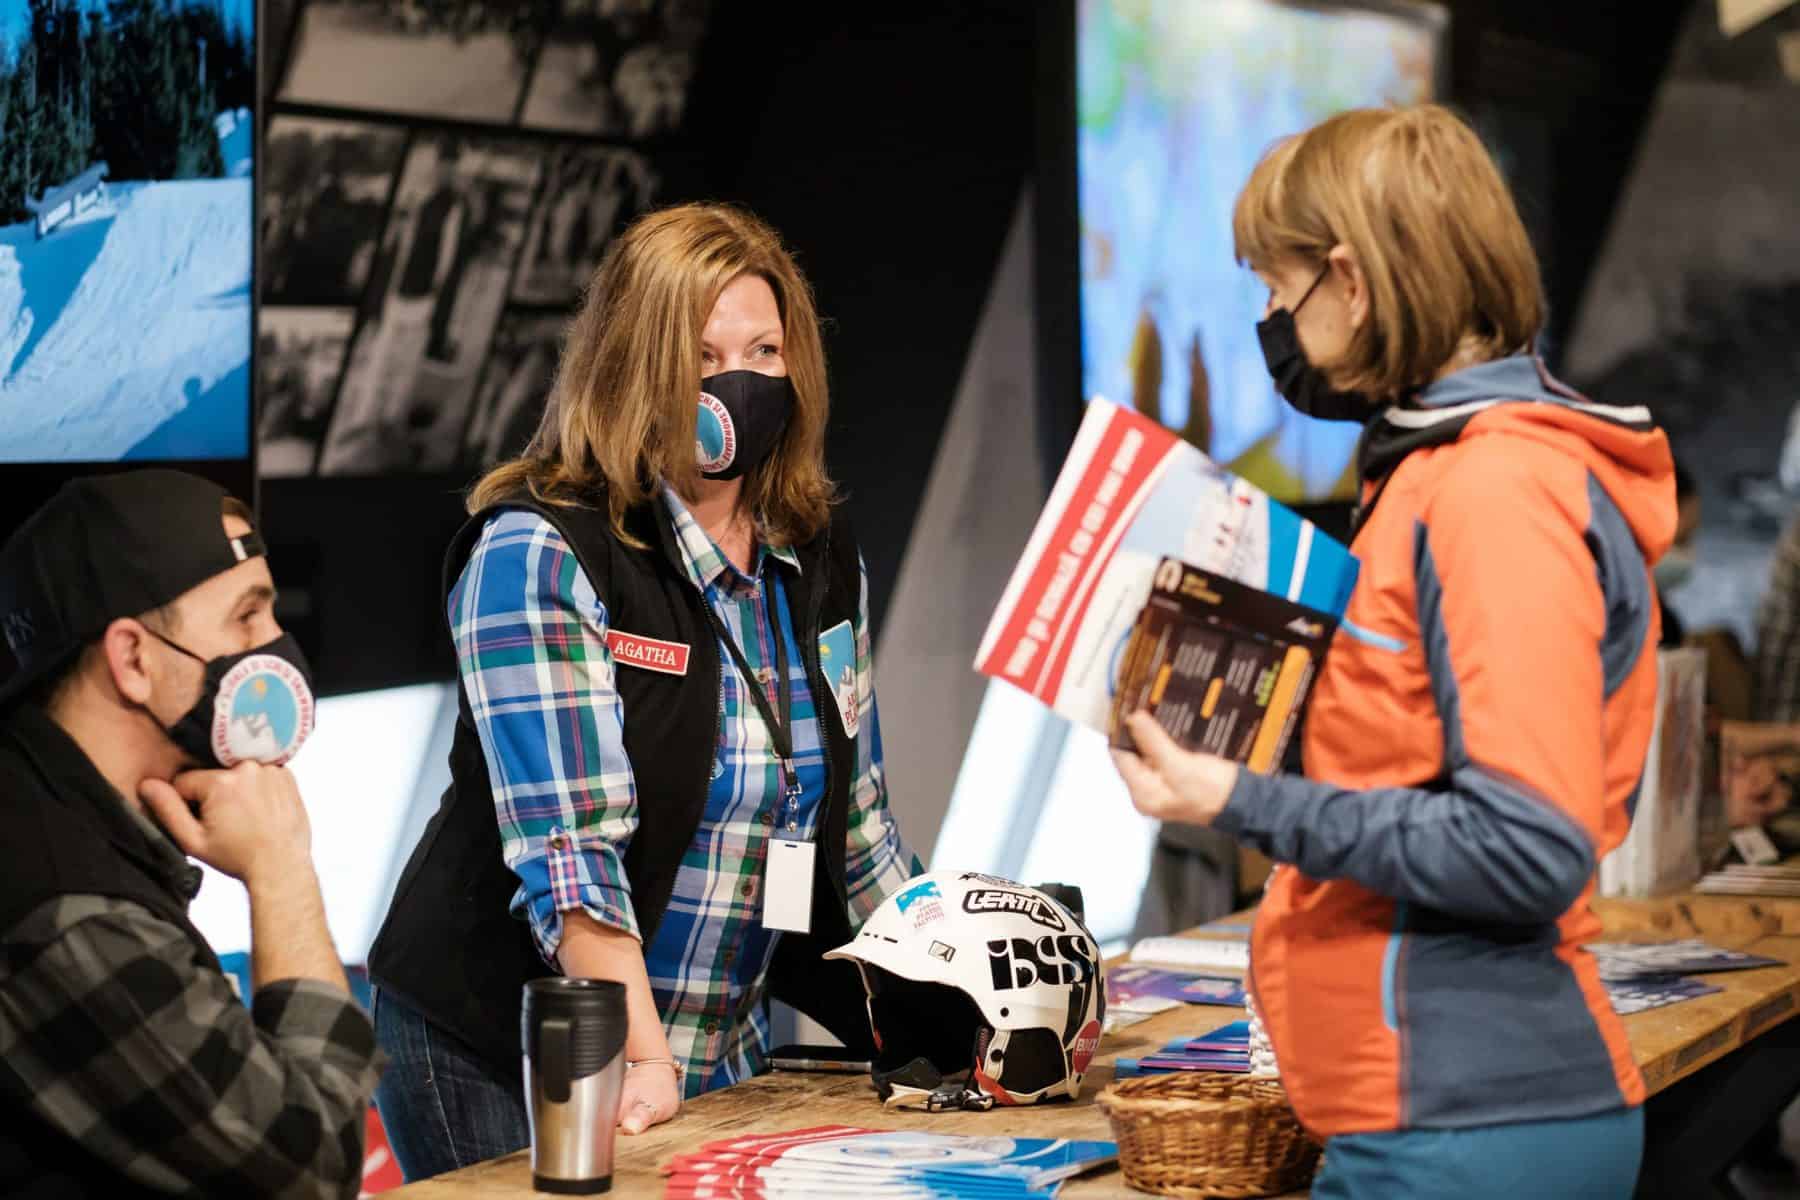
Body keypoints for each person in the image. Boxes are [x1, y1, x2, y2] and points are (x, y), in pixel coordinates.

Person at [1112, 106, 1673, 1198]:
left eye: (1280, 293)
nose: (1272, 323)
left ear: (1353, 282)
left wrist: (1236, 796)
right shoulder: (1442, 473)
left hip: (1462, 1126)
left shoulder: (1496, 493)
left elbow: (1525, 844)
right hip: (1428, 1113)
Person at [367, 202, 920, 1181]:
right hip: (520, 1056)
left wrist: (935, 998)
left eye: (762, 350)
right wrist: (644, 1054)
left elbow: (862, 825)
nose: (737, 382)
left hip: (718, 1048)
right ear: (636, 367)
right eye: (702, 357)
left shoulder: (821, 562)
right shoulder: (541, 551)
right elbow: (573, 853)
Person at [0, 470, 380, 1197]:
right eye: (247, 617)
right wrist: (281, 870)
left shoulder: (49, 795)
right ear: (134, 659)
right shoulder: (67, 916)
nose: (277, 646)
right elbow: (311, 1169)